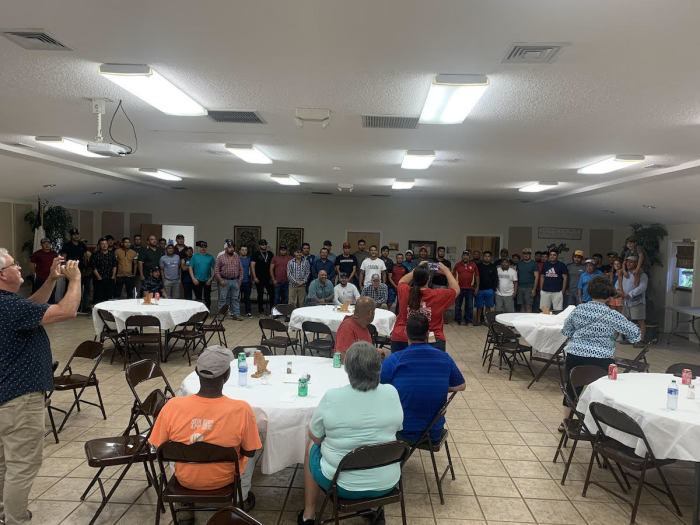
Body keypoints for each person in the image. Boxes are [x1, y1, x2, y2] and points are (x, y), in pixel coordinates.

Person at [0, 249, 81, 525]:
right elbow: (67, 311)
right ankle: (15, 519)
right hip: (19, 398)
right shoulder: (8, 306)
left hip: (4, 395)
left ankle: (4, 510)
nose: (20, 268)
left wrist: (50, 281)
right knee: (23, 465)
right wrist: (75, 280)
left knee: (3, 463)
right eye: (14, 265)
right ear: (2, 274)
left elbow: (32, 307)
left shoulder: (9, 305)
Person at [298, 342, 403, 525]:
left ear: (348, 370)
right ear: (378, 367)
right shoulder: (392, 392)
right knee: (379, 443)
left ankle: (309, 514)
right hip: (387, 481)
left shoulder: (333, 397)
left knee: (311, 446)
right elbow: (396, 428)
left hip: (342, 485)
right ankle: (371, 508)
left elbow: (315, 436)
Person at [149, 346, 262, 516]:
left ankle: (184, 503)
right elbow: (250, 451)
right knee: (254, 444)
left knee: (173, 447)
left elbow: (157, 447)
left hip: (185, 480)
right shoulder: (242, 410)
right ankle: (241, 497)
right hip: (224, 479)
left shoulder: (172, 406)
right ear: (227, 375)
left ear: (196, 371)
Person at [560, 276, 641, 427]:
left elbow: (566, 330)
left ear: (589, 291)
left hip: (575, 355)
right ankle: (600, 425)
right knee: (603, 392)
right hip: (602, 359)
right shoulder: (613, 315)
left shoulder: (579, 309)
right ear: (609, 294)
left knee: (572, 389)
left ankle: (565, 422)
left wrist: (581, 338)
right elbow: (635, 334)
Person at [381, 313, 465, 442]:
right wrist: (437, 386)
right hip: (433, 433)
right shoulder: (444, 358)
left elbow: (379, 387)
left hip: (402, 431)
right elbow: (461, 386)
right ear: (427, 334)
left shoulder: (395, 359)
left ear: (405, 332)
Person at [390, 263, 458, 352]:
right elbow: (456, 289)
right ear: (428, 279)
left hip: (402, 336)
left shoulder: (405, 290)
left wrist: (417, 268)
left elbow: (402, 281)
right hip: (432, 339)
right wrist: (446, 270)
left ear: (414, 278)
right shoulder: (438, 295)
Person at [620, 255, 648, 347]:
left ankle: (641, 340)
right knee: (628, 320)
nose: (628, 264)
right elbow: (618, 284)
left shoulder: (642, 275)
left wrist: (630, 294)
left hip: (637, 301)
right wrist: (618, 291)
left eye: (631, 262)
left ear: (636, 264)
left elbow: (642, 287)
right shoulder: (625, 274)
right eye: (627, 262)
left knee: (640, 320)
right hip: (626, 301)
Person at [61, 228, 89, 312]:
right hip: (70, 269)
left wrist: (85, 268)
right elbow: (64, 257)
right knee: (69, 287)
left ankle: (78, 307)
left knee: (79, 288)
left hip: (80, 269)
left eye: (77, 234)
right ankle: (66, 306)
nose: (76, 236)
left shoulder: (82, 245)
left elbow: (85, 257)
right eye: (74, 234)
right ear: (71, 236)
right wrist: (64, 269)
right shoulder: (67, 245)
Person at [215, 240, 243, 319]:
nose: (232, 249)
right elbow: (216, 270)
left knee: (235, 299)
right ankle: (221, 315)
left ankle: (236, 315)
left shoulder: (236, 257)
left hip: (235, 281)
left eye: (233, 247)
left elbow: (241, 269)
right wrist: (220, 280)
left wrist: (240, 280)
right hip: (224, 280)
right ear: (226, 248)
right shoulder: (221, 257)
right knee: (222, 299)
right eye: (230, 247)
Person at [453, 250, 479, 325]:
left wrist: (477, 287)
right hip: (459, 288)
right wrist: (452, 286)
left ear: (469, 257)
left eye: (467, 255)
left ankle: (468, 320)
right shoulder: (457, 265)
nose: (465, 257)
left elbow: (477, 276)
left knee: (470, 306)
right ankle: (458, 320)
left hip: (470, 289)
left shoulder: (473, 265)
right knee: (458, 305)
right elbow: (453, 276)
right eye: (464, 255)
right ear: (462, 257)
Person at [188, 241, 215, 309]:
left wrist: (211, 279)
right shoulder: (195, 257)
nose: (203, 248)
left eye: (204, 247)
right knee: (198, 298)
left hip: (207, 280)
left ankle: (207, 311)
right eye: (201, 247)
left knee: (207, 297)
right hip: (197, 280)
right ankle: (199, 312)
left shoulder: (210, 257)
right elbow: (190, 267)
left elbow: (215, 269)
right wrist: (193, 278)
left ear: (206, 248)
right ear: (199, 248)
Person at [251, 239, 274, 316]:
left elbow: (273, 266)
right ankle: (261, 311)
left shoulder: (270, 254)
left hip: (269, 278)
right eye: (262, 244)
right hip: (259, 278)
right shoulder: (255, 254)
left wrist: (272, 277)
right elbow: (252, 266)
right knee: (260, 294)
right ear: (259, 245)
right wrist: (254, 277)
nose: (264, 246)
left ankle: (272, 311)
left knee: (272, 294)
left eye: (265, 244)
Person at [91, 237, 117, 304]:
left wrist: (113, 276)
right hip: (99, 279)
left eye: (106, 243)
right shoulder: (95, 254)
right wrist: (98, 277)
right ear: (99, 245)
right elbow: (93, 267)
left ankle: (107, 312)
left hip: (110, 278)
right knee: (98, 296)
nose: (104, 245)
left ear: (108, 245)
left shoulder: (112, 254)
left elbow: (115, 265)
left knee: (108, 296)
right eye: (102, 244)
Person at [475, 250, 497, 325]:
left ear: (490, 258)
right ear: (483, 257)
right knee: (479, 306)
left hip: (489, 290)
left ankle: (487, 321)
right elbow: (476, 277)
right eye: (485, 256)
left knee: (488, 307)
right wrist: (476, 287)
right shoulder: (478, 266)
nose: (487, 258)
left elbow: (495, 278)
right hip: (480, 289)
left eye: (488, 256)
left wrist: (493, 289)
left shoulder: (493, 267)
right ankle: (478, 321)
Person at [516, 249, 539, 313]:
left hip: (529, 288)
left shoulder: (534, 263)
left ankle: (528, 322)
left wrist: (534, 289)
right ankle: (521, 322)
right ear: (523, 254)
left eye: (528, 253)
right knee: (522, 306)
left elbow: (537, 277)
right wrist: (516, 288)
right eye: (524, 253)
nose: (526, 255)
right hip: (520, 287)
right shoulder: (519, 263)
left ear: (530, 255)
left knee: (528, 306)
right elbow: (516, 276)